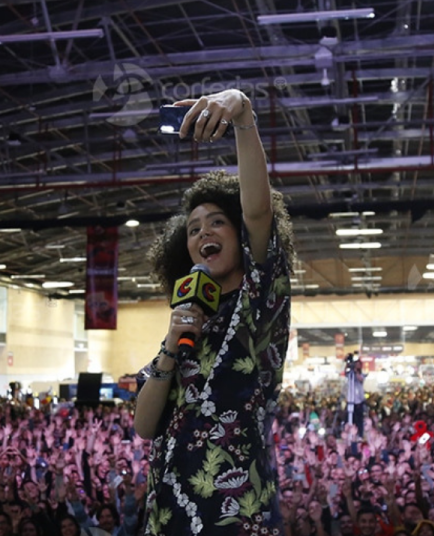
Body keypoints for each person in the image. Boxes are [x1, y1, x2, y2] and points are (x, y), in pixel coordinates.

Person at [133, 88, 295, 535]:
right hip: (167, 513)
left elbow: (259, 212)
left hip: (233, 514)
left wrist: (242, 112)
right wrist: (171, 345)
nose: (203, 231)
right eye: (193, 229)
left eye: (217, 222)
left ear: (238, 235)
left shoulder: (261, 301)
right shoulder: (188, 317)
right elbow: (145, 426)